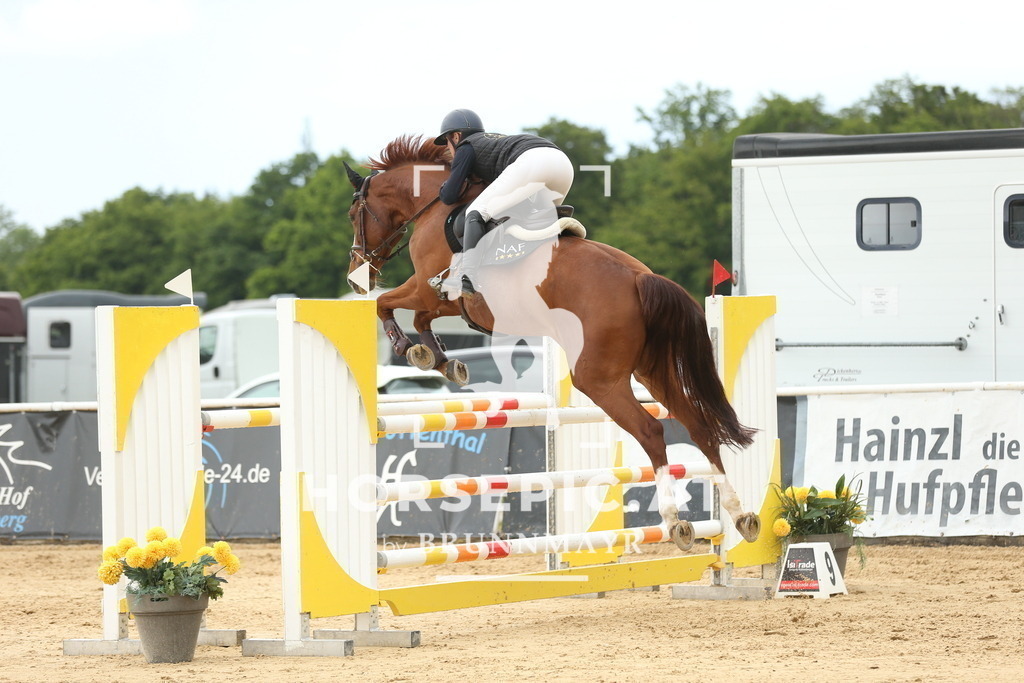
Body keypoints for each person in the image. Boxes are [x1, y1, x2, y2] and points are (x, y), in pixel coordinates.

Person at [430, 109, 574, 299]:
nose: (449, 149)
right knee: (536, 223)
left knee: (475, 212)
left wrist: (442, 187)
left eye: (447, 143)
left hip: (533, 162)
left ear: (456, 136)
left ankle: (467, 278)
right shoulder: (493, 141)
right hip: (563, 164)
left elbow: (449, 195)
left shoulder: (465, 147)